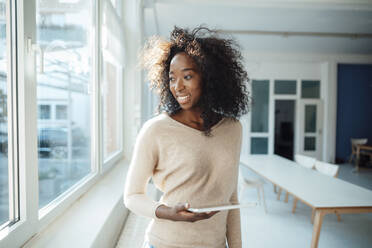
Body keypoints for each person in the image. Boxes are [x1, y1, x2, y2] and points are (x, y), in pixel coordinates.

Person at [124, 26, 249, 248]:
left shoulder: (233, 128)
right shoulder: (156, 130)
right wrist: (168, 212)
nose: (177, 86)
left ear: (210, 78)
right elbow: (132, 196)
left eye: (187, 76)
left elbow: (231, 198)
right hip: (164, 243)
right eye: (172, 78)